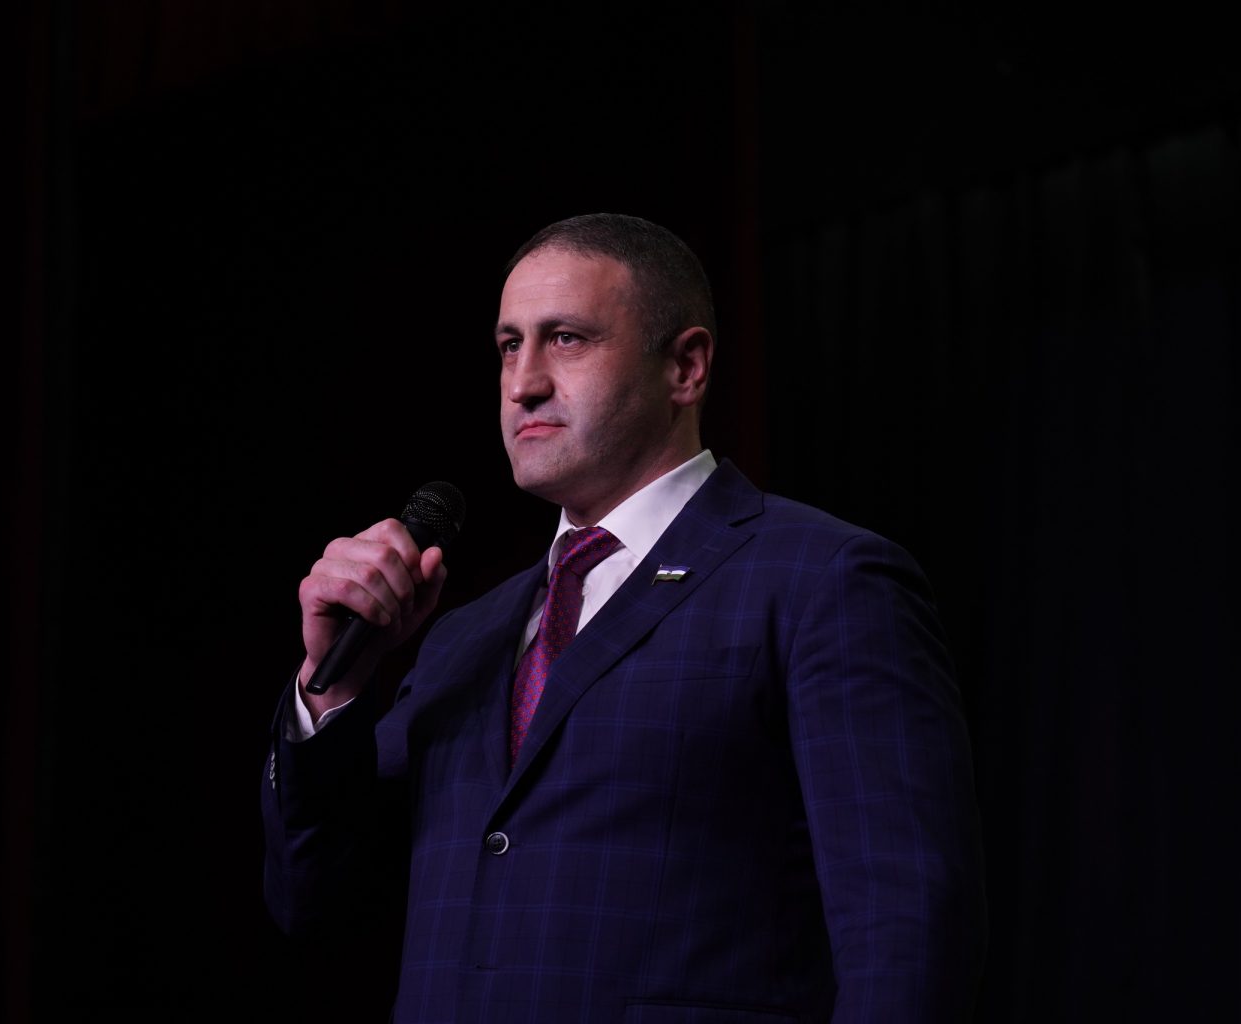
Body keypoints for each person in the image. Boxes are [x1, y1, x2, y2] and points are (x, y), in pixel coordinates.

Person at [262, 213, 986, 1022]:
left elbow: (906, 932)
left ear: (686, 367)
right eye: (509, 345)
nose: (523, 383)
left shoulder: (822, 581)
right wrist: (333, 689)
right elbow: (317, 905)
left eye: (566, 339)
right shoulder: (463, 638)